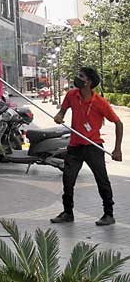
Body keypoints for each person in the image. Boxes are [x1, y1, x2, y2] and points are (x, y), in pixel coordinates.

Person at [51, 67, 123, 226]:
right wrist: (59, 116)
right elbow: (62, 112)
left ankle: (108, 214)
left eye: (81, 76)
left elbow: (119, 123)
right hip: (75, 146)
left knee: (102, 181)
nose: (77, 78)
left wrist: (117, 149)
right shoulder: (71, 95)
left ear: (88, 82)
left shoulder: (100, 103)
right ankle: (68, 212)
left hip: (93, 147)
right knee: (68, 180)